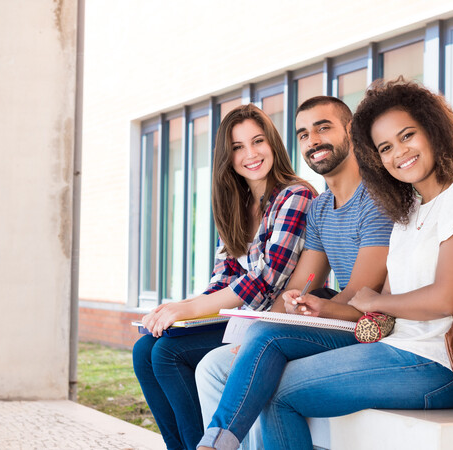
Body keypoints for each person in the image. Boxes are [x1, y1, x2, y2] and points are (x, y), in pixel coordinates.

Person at [197, 79, 453, 450]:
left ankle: (214, 445)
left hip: (445, 363)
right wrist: (324, 306)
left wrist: (374, 301)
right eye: (386, 147)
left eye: (408, 136)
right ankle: (214, 442)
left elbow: (445, 298)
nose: (399, 153)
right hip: (398, 345)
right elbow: (383, 301)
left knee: (278, 388)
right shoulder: (409, 211)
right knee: (271, 358)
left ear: (433, 130)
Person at [195, 96, 393, 449]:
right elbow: (302, 285)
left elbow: (361, 295)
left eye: (323, 127)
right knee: (213, 365)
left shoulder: (376, 198)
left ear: (351, 130)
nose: (313, 139)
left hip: (366, 325)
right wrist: (266, 326)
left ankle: (216, 443)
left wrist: (309, 309)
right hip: (334, 319)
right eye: (303, 134)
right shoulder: (319, 208)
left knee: (266, 350)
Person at [132, 104, 316, 450]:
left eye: (258, 141)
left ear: (273, 143)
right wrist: (180, 310)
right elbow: (224, 277)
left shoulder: (295, 195)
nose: (251, 154)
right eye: (238, 147)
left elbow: (265, 282)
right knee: (145, 349)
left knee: (167, 354)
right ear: (226, 156)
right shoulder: (236, 204)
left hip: (271, 318)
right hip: (238, 318)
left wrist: (186, 310)